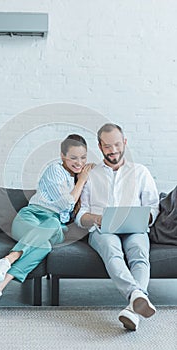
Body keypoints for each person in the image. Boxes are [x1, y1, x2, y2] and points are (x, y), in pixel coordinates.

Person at [0, 134, 93, 319]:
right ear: (62, 156)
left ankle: (8, 260)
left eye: (83, 157)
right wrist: (82, 180)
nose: (79, 162)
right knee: (45, 245)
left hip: (55, 226)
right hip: (30, 217)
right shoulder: (55, 170)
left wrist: (85, 179)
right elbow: (66, 203)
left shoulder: (79, 178)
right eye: (73, 157)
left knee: (53, 224)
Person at [75, 123, 159, 331]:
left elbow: (153, 206)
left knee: (139, 253)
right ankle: (136, 296)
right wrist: (96, 218)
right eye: (107, 146)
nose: (113, 150)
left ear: (125, 143)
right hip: (102, 229)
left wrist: (143, 217)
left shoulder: (140, 172)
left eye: (117, 145)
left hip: (134, 229)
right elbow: (80, 215)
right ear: (100, 146)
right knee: (112, 251)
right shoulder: (91, 174)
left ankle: (133, 309)